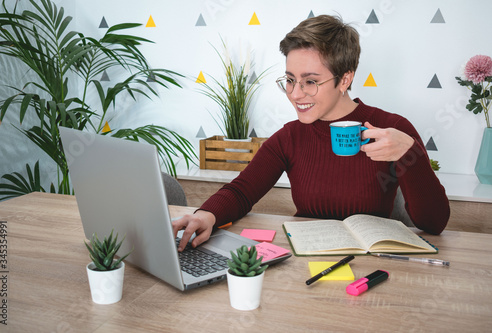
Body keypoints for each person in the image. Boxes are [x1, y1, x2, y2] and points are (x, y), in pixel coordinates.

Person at [173, 14, 450, 252]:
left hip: (372, 267)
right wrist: (206, 214)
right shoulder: (290, 137)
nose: (295, 94)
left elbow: (434, 223)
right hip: (305, 262)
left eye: (310, 82)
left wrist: (409, 152)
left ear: (345, 79)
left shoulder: (392, 129)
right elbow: (242, 191)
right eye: (290, 80)